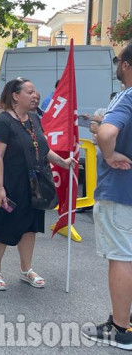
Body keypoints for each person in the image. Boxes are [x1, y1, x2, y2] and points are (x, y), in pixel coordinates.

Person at [0, 77, 75, 291]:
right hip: (10, 184)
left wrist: (62, 162)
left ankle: (26, 269)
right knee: (2, 226)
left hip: (34, 185)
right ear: (16, 96)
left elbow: (43, 148)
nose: (35, 95)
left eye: (35, 91)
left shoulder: (35, 119)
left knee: (30, 227)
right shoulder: (3, 122)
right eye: (30, 92)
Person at [82, 44, 132, 348]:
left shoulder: (127, 96)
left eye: (117, 62)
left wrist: (109, 152)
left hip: (120, 189)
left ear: (126, 65)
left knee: (121, 258)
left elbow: (106, 135)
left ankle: (120, 329)